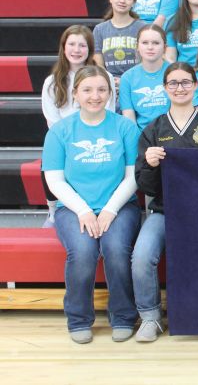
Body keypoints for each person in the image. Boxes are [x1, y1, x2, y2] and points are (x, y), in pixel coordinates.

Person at [42, 66, 140, 344]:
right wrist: (84, 211)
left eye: (101, 90)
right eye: (87, 89)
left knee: (115, 248)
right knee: (83, 251)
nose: (94, 96)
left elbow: (133, 176)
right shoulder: (60, 131)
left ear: (110, 94)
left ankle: (123, 316)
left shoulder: (124, 127)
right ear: (75, 93)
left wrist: (109, 209)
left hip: (119, 206)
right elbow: (55, 180)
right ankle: (78, 318)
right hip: (73, 208)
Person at [132, 62, 198, 342]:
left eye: (186, 82)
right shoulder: (153, 130)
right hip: (164, 211)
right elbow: (144, 184)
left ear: (196, 86)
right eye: (173, 83)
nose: (180, 88)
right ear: (164, 88)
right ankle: (150, 317)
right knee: (141, 257)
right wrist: (149, 165)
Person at [41, 26, 116, 227]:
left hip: (99, 134)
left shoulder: (104, 77)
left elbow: (110, 110)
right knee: (50, 159)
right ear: (63, 48)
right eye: (71, 44)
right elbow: (52, 120)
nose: (77, 50)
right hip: (65, 139)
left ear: (90, 49)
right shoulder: (52, 82)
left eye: (82, 45)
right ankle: (53, 211)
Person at [92, 0, 147, 88]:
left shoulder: (142, 28)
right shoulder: (99, 29)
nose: (122, 1)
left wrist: (127, 81)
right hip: (109, 84)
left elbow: (147, 61)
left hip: (136, 82)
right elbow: (99, 65)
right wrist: (110, 82)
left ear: (134, 2)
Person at [119, 24, 170, 132]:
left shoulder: (176, 73)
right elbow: (129, 119)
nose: (150, 47)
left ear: (165, 47)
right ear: (137, 46)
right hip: (143, 138)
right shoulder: (127, 78)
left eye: (156, 43)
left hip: (174, 136)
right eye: (145, 43)